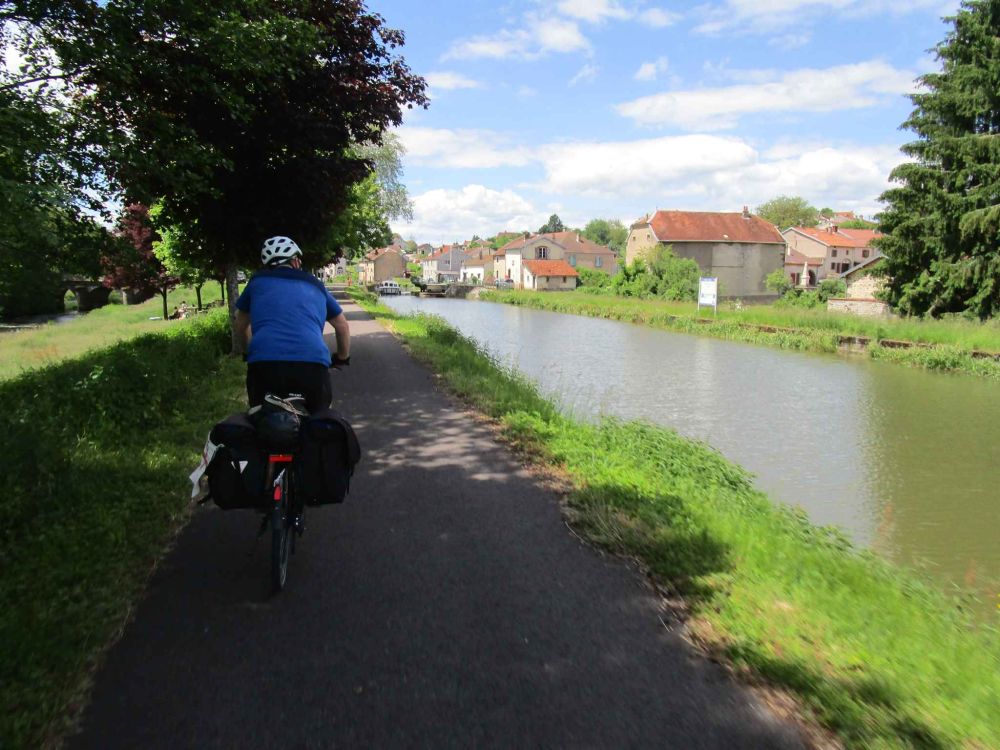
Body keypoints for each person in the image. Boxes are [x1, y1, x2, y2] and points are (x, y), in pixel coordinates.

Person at [233, 236, 351, 413]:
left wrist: (247, 351)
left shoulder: (257, 282)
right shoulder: (316, 285)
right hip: (312, 363)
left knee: (261, 417)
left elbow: (240, 323)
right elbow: (342, 326)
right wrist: (342, 357)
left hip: (264, 364)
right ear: (295, 261)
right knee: (320, 419)